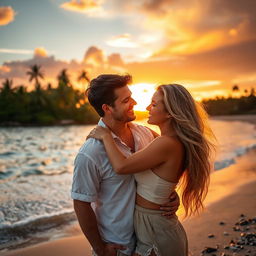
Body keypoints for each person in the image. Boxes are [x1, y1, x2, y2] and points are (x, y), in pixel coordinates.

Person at [88, 83, 216, 256]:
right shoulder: (164, 140)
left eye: (154, 104)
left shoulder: (166, 143)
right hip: (154, 226)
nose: (148, 107)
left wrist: (105, 135)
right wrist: (169, 193)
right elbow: (163, 175)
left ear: (170, 112)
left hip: (156, 229)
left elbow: (121, 166)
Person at [71, 74, 180, 256]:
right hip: (118, 247)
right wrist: (101, 249)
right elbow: (81, 204)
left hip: (150, 240)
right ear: (108, 108)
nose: (135, 102)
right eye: (126, 100)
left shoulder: (145, 134)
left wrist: (168, 193)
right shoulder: (90, 152)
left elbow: (168, 165)